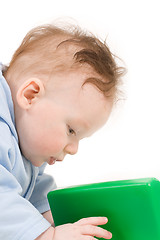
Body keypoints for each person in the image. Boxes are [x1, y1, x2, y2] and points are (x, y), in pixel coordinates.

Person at [0, 23, 125, 240]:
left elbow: (36, 194)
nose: (74, 149)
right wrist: (48, 236)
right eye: (71, 130)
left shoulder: (27, 148)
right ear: (30, 95)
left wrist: (60, 221)